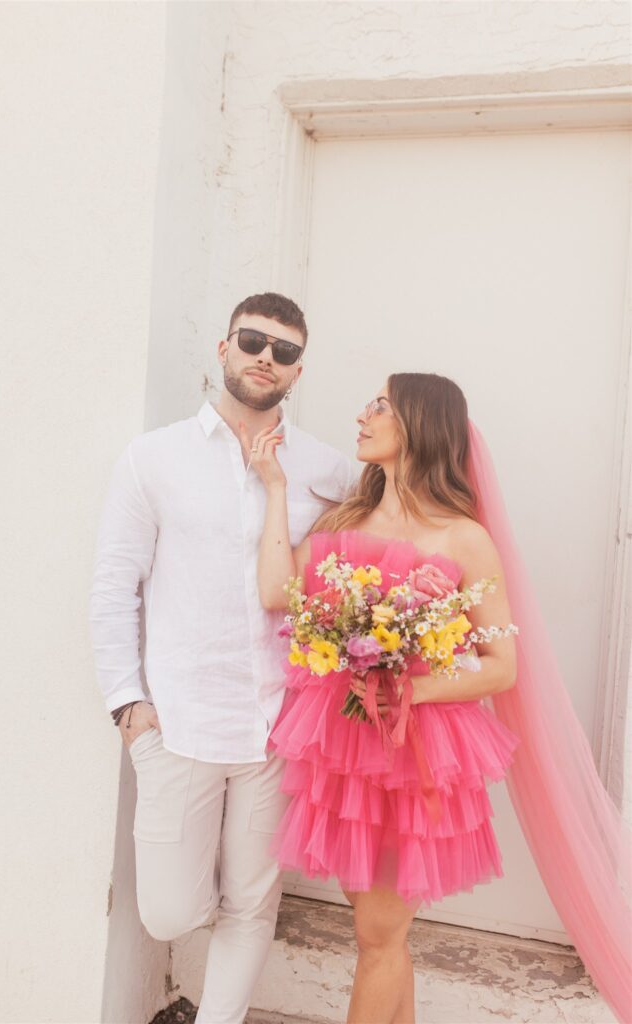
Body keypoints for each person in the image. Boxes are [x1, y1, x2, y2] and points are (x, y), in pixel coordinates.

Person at [89, 292, 354, 1024]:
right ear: (223, 349)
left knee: (251, 902)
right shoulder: (155, 457)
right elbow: (115, 584)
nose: (267, 357)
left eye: (285, 350)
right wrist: (127, 706)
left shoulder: (326, 470)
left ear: (298, 370)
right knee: (169, 912)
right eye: (253, 341)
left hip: (276, 725)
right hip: (176, 721)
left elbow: (378, 543)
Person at [251, 372, 521, 1024]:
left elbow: (501, 665)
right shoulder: (343, 520)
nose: (361, 416)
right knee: (380, 935)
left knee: (377, 936)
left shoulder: (464, 538)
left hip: (416, 755)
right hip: (345, 756)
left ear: (420, 425)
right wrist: (276, 489)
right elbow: (275, 596)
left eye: (379, 406)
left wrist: (409, 684)